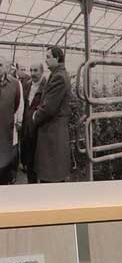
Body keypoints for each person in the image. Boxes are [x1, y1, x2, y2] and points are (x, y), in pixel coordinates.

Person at [30, 46, 73, 183]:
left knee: (50, 176)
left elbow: (49, 108)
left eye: (48, 57)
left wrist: (35, 116)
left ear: (57, 58)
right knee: (54, 176)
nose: (46, 60)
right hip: (54, 133)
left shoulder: (58, 77)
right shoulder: (58, 74)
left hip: (52, 134)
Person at [0, 63, 22, 185]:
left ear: (5, 67)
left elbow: (17, 105)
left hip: (6, 132)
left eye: (0, 65)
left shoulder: (15, 84)